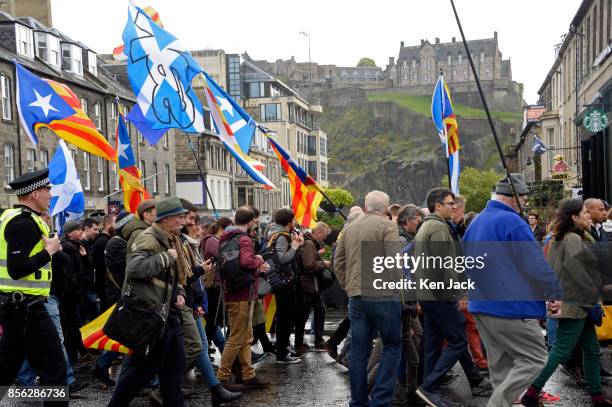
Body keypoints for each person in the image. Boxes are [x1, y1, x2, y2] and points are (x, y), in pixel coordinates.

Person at [463, 173, 563, 407]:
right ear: (516, 197)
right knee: (536, 358)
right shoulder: (513, 222)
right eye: (525, 196)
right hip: (512, 307)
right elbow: (534, 263)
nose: (526, 201)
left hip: (482, 305)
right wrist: (554, 292)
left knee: (501, 367)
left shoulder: (476, 222)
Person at [521, 199, 612, 407]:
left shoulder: (559, 237)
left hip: (577, 303)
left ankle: (597, 397)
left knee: (591, 350)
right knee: (560, 350)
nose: (587, 216)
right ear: (574, 217)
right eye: (584, 213)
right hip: (577, 304)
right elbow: (579, 273)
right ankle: (532, 393)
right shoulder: (571, 238)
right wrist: (593, 301)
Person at [414, 187, 491, 407]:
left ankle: (429, 393)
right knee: (458, 340)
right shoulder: (437, 227)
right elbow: (444, 265)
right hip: (441, 295)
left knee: (433, 345)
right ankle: (429, 387)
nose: (454, 207)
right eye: (450, 203)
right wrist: (459, 293)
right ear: (437, 206)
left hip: (428, 295)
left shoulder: (426, 226)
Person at [109, 197, 189, 406]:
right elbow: (135, 269)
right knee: (141, 370)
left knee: (174, 368)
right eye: (179, 217)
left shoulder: (171, 238)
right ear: (165, 219)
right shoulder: (148, 238)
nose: (183, 221)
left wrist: (180, 292)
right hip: (150, 315)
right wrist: (166, 257)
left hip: (167, 315)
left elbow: (172, 277)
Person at [0, 168, 67, 407]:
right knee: (55, 371)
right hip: (25, 307)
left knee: (7, 369)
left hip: (21, 306)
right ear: (35, 193)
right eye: (47, 190)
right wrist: (49, 251)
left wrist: (53, 248)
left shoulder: (24, 220)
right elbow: (18, 268)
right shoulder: (22, 224)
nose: (50, 195)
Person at [334, 190, 402, 407]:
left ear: (365, 207)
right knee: (392, 345)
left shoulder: (350, 227)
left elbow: (338, 260)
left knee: (359, 351)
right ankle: (380, 400)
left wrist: (348, 285)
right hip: (382, 296)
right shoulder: (388, 226)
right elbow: (393, 264)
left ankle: (358, 401)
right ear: (385, 210)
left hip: (356, 296)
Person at [216, 207, 270, 391]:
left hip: (231, 290)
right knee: (237, 337)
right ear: (251, 222)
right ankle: (222, 377)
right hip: (242, 293)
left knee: (246, 336)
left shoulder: (226, 237)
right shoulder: (244, 239)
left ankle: (248, 374)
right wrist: (258, 261)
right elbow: (246, 262)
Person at [264, 208, 304, 362]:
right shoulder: (281, 237)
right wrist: (294, 246)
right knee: (285, 316)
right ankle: (282, 352)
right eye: (293, 221)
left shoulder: (276, 234)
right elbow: (282, 259)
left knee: (285, 315)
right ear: (289, 222)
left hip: (283, 282)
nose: (295, 223)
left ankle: (283, 348)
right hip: (284, 283)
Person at [60, 220, 94, 364]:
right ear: (69, 233)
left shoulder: (78, 247)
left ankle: (79, 352)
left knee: (74, 325)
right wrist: (75, 291)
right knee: (71, 327)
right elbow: (69, 274)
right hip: (70, 296)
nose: (81, 231)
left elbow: (87, 268)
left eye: (81, 229)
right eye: (77, 229)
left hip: (77, 294)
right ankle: (73, 355)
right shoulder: (67, 248)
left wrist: (85, 256)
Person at [295, 222, 330, 351]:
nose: (324, 238)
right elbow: (309, 265)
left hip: (308, 284)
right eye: (324, 235)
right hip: (308, 285)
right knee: (307, 314)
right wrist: (324, 263)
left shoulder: (309, 242)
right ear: (319, 233)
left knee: (313, 312)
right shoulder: (309, 244)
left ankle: (309, 341)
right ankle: (309, 342)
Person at [93, 214, 115, 311]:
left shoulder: (109, 239)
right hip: (105, 284)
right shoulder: (102, 241)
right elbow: (101, 265)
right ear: (107, 224)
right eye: (115, 223)